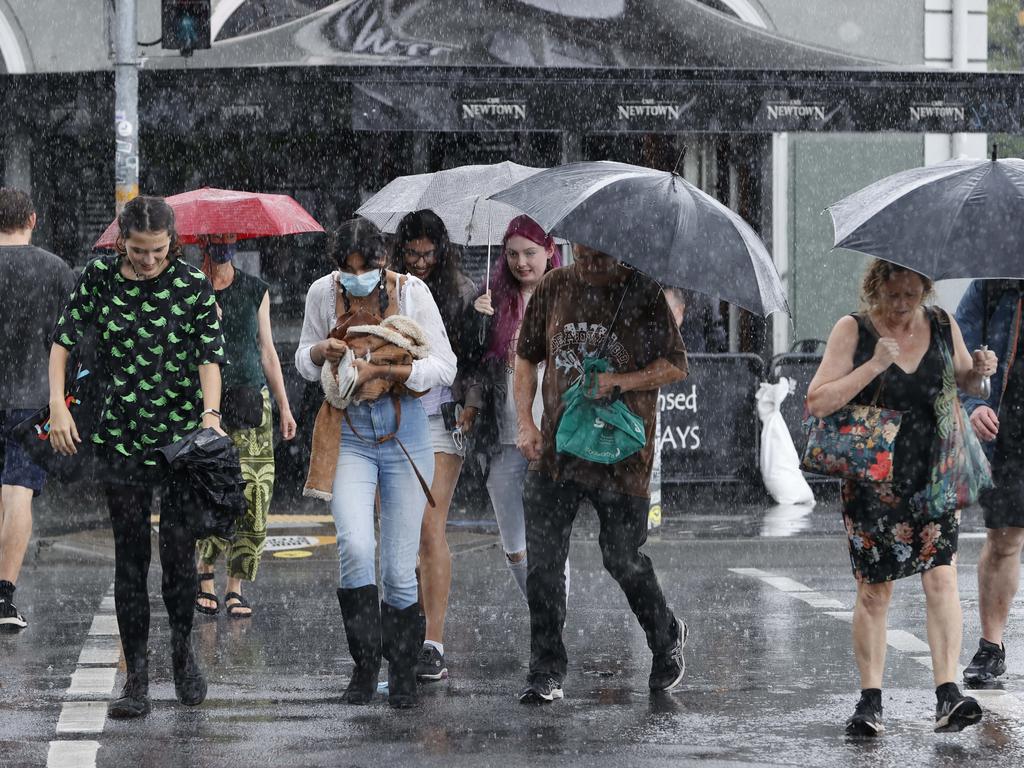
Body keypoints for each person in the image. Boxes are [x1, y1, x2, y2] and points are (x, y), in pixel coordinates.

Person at [48, 195, 227, 718]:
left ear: (173, 243)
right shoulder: (99, 278)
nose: (149, 261)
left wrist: (211, 418)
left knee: (177, 557)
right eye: (139, 251)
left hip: (180, 443)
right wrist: (58, 405)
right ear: (121, 241)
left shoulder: (191, 285)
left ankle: (183, 655)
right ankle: (138, 681)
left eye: (159, 251)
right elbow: (61, 341)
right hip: (119, 437)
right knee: (130, 561)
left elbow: (209, 357)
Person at [806, 260, 996, 736]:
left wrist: (981, 373)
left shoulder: (940, 322)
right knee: (874, 592)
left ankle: (948, 695)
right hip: (874, 480)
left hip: (933, 474)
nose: (903, 305)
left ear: (924, 291)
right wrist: (874, 364)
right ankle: (870, 702)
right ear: (876, 289)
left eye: (912, 295)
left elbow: (964, 380)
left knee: (942, 580)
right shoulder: (853, 330)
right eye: (894, 296)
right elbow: (818, 401)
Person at [514, 243, 689, 704]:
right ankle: (545, 670)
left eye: (602, 258)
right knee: (545, 565)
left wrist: (619, 382)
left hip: (622, 453)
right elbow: (526, 356)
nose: (591, 264)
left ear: (619, 249)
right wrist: (526, 422)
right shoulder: (554, 286)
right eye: (585, 255)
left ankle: (666, 634)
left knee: (622, 558)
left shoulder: (644, 293)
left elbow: (675, 366)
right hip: (558, 450)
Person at [295, 218, 456, 708]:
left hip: (406, 429)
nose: (358, 277)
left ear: (385, 260)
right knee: (355, 545)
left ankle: (403, 670)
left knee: (399, 565)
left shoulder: (413, 294)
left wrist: (388, 368)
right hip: (349, 431)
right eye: (349, 270)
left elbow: (444, 366)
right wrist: (321, 351)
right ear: (337, 267)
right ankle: (364, 667)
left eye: (368, 268)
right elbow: (303, 359)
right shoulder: (322, 294)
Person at [392, 210, 483, 683]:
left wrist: (472, 403)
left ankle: (433, 641)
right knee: (400, 531)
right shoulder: (388, 290)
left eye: (429, 253)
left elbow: (473, 360)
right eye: (413, 253)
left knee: (431, 526)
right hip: (393, 418)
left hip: (444, 421)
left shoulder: (462, 292)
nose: (421, 262)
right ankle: (407, 631)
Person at [193, 235, 297, 619]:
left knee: (253, 495)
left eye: (229, 240)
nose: (223, 247)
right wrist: (206, 320)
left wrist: (284, 406)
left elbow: (267, 350)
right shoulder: (190, 287)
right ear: (201, 244)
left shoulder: (255, 289)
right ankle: (204, 577)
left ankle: (235, 584)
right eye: (215, 241)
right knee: (209, 491)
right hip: (205, 404)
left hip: (252, 401)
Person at [472, 215, 564, 600]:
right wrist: (475, 322)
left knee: (550, 536)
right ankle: (540, 611)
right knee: (515, 544)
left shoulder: (568, 295)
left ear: (549, 251)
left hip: (554, 432)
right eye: (512, 254)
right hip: (504, 433)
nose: (521, 262)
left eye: (529, 253)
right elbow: (472, 362)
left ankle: (550, 626)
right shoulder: (493, 297)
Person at [0, 188, 75, 631]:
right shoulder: (54, 269)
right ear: (32, 218)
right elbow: (75, 340)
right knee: (17, 491)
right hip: (34, 400)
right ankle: (4, 598)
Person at [955, 279, 1024, 688]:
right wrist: (975, 403)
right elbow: (959, 359)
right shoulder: (993, 284)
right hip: (1009, 429)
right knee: (1005, 540)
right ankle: (991, 648)